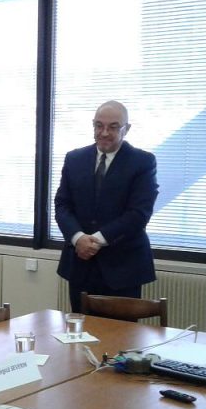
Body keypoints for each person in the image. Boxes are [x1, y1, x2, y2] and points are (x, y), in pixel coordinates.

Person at [54, 100, 159, 313]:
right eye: (99, 125)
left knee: (122, 332)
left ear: (126, 129)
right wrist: (78, 238)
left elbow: (139, 213)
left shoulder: (142, 161)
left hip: (123, 267)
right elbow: (62, 205)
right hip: (80, 264)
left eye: (113, 127)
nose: (104, 133)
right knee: (80, 330)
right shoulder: (74, 159)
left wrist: (96, 240)